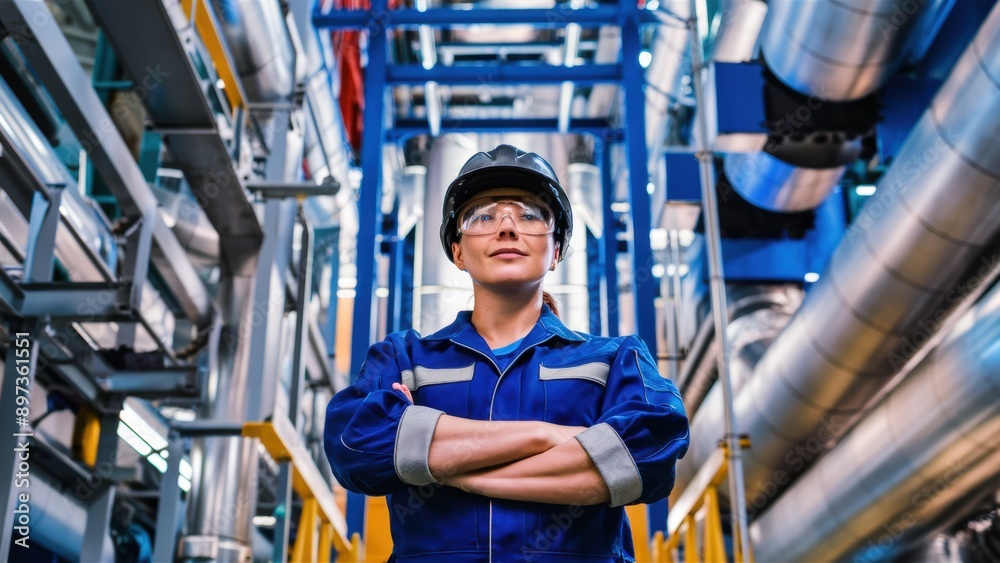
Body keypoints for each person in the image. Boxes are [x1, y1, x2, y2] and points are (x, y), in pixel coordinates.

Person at [325, 144, 689, 562]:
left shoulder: (614, 361)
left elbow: (649, 457)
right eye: (482, 215)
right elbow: (354, 447)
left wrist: (444, 462)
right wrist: (548, 438)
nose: (507, 227)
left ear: (555, 251)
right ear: (457, 251)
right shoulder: (404, 359)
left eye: (531, 214)